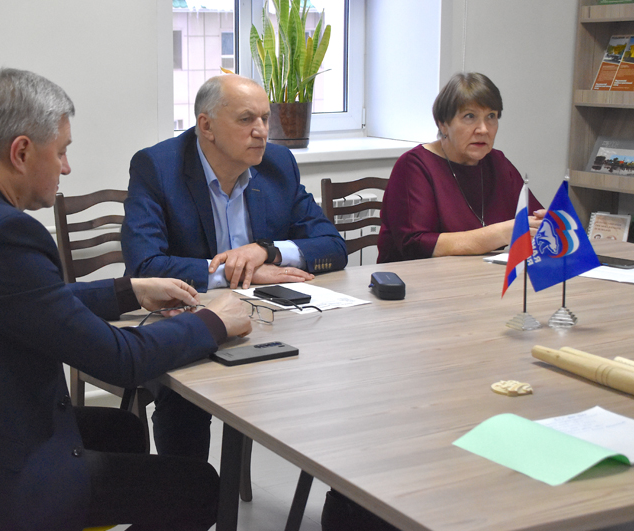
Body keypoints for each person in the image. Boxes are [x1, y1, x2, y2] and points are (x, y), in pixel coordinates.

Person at [0, 68, 253, 531]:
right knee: (198, 486)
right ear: (21, 152)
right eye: (61, 151)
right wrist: (213, 321)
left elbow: (27, 301)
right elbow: (121, 360)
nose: (66, 168)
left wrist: (128, 291)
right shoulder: (2, 234)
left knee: (124, 430)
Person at [120, 74, 347, 461]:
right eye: (246, 119)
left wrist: (266, 251)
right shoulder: (157, 167)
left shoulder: (277, 164)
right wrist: (236, 273)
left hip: (265, 319)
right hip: (188, 319)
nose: (262, 131)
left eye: (265, 118)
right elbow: (145, 266)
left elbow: (333, 247)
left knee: (336, 367)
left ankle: (340, 479)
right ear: (206, 126)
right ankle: (188, 491)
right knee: (185, 397)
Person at [377, 72, 544, 263]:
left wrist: (548, 223)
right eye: (469, 116)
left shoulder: (497, 162)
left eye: (491, 116)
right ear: (443, 124)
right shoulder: (415, 166)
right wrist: (501, 233)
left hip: (480, 275)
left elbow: (534, 220)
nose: (483, 129)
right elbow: (415, 244)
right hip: (415, 277)